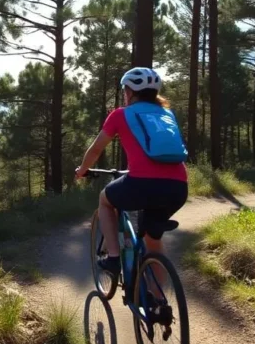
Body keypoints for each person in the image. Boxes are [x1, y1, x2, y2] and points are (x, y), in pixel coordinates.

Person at [75, 66, 189, 278]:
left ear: (129, 92)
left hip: (142, 185)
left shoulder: (121, 114)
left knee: (105, 201)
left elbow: (97, 149)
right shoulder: (167, 114)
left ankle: (113, 258)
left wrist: (82, 170)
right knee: (153, 240)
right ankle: (158, 305)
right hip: (178, 187)